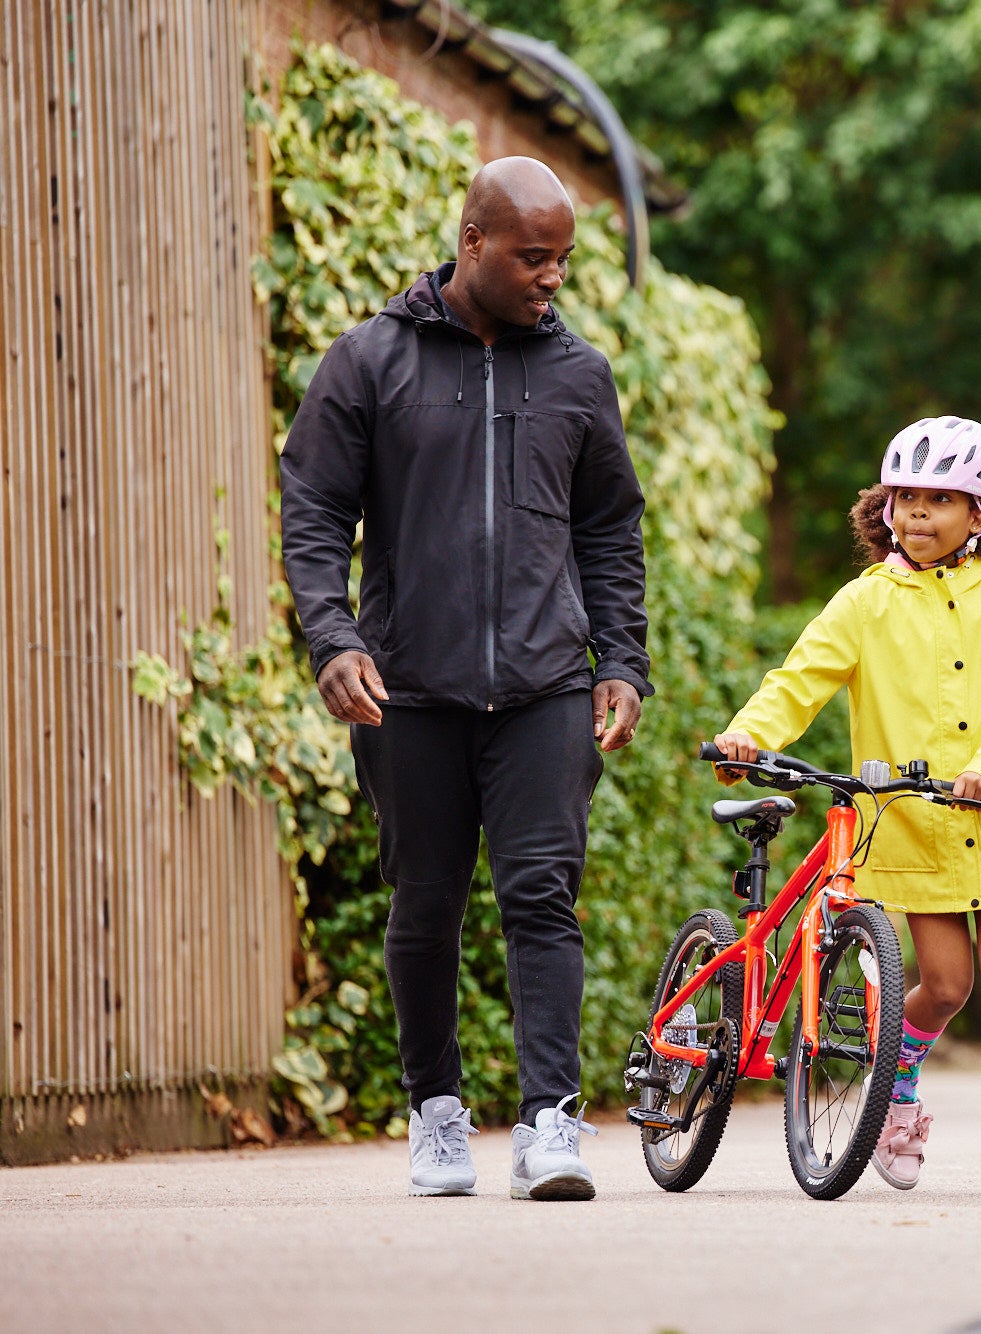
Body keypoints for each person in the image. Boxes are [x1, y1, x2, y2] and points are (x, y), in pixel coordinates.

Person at [280, 157, 651, 1201]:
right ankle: (436, 1113)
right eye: (535, 256)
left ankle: (548, 1121)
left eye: (565, 258)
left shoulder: (578, 372)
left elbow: (609, 528)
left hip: (543, 686)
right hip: (411, 687)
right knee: (427, 899)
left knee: (543, 895)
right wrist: (333, 637)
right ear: (474, 242)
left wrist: (620, 658)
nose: (554, 278)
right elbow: (312, 510)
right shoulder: (370, 360)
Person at [712, 416, 981, 1196]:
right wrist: (746, 735)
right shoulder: (864, 602)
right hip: (909, 821)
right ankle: (895, 1088)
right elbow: (798, 680)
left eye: (941, 499)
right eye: (907, 497)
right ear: (884, 507)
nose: (919, 513)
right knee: (944, 985)